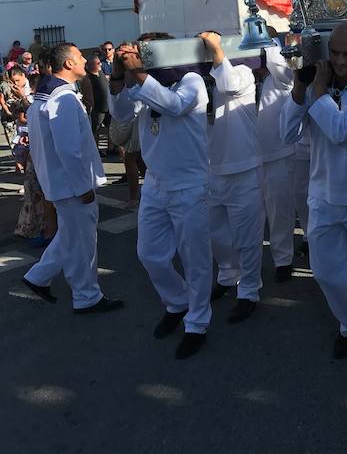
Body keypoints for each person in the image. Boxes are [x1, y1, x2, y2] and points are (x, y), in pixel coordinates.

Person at [281, 22, 347, 387]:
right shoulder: (318, 87)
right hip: (324, 197)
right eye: (335, 53)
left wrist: (319, 92)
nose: (340, 60)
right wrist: (300, 87)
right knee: (326, 274)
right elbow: (286, 133)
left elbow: (342, 131)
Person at [110, 36, 212, 359]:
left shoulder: (192, 81)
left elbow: (175, 105)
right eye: (140, 52)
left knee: (195, 259)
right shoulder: (144, 84)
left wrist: (139, 74)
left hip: (188, 185)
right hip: (155, 183)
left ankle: (197, 321)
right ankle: (178, 301)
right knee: (149, 253)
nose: (141, 56)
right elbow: (121, 112)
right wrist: (117, 76)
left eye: (147, 52)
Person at [22, 43, 123, 313]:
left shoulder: (46, 97)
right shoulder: (63, 99)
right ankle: (87, 296)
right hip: (71, 186)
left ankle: (38, 276)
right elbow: (68, 149)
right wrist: (82, 187)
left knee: (70, 235)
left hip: (59, 184)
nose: (85, 60)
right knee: (82, 244)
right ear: (68, 64)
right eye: (79, 57)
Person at [198, 32, 265, 323]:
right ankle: (227, 276)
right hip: (213, 169)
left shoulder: (241, 71)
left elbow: (230, 85)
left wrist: (216, 50)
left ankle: (249, 290)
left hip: (244, 168)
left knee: (247, 238)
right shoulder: (197, 78)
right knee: (217, 234)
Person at [255, 31, 297, 282]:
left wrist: (265, 39)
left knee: (279, 208)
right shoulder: (243, 75)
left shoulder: (281, 73)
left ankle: (283, 259)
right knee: (251, 213)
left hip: (277, 150)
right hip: (247, 152)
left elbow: (282, 69)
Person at [86, 54, 109, 148]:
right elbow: (88, 93)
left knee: (110, 128)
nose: (100, 65)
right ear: (90, 65)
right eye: (97, 63)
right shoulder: (88, 78)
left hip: (108, 106)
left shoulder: (101, 73)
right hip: (98, 108)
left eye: (99, 63)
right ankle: (95, 149)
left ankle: (110, 149)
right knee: (96, 130)